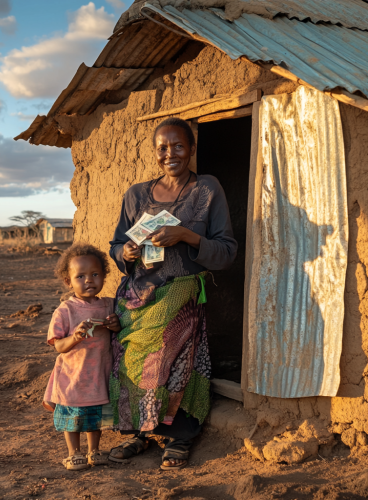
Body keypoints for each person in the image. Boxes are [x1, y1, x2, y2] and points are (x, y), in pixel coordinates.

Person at [108, 117, 237, 470]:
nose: (170, 154)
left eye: (178, 146)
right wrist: (126, 253)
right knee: (135, 364)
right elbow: (116, 244)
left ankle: (179, 436)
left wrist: (186, 236)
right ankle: (139, 433)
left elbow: (227, 251)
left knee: (178, 367)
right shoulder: (136, 194)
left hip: (181, 298)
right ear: (155, 153)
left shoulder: (206, 190)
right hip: (138, 298)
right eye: (162, 148)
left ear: (192, 149)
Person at [43, 243, 121, 471]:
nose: (89, 280)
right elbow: (58, 345)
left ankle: (94, 450)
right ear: (68, 281)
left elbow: (118, 331)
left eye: (95, 274)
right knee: (72, 415)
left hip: (98, 372)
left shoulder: (109, 305)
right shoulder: (66, 310)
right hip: (73, 374)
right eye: (81, 276)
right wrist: (76, 336)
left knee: (94, 414)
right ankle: (73, 453)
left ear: (104, 276)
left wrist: (115, 325)